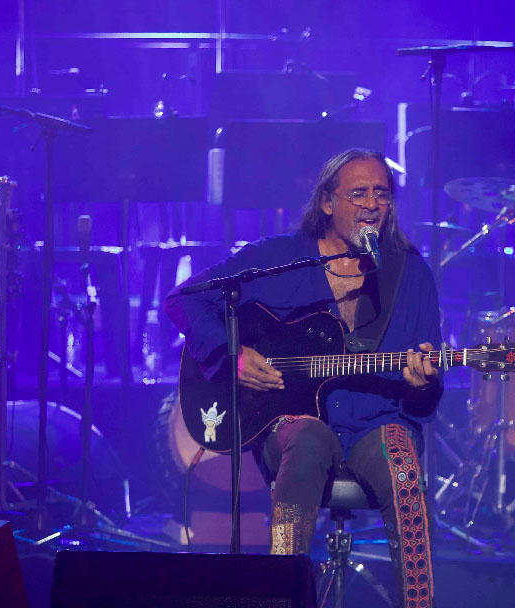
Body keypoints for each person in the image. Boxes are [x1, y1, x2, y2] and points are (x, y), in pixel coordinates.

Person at [166, 149, 441, 608]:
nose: (373, 203)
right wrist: (232, 355)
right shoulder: (279, 259)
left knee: (401, 456)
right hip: (292, 421)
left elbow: (425, 401)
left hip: (377, 425)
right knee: (308, 440)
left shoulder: (411, 274)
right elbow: (183, 301)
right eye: (359, 193)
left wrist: (423, 383)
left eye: (382, 193)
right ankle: (281, 597)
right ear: (328, 203)